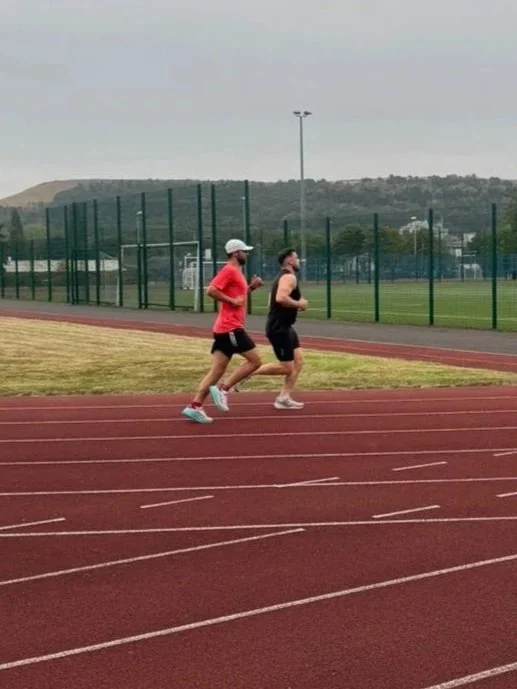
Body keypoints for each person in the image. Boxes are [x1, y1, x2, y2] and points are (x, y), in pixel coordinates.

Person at [181, 239, 264, 423]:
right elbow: (211, 290)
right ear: (235, 253)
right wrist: (231, 301)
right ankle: (223, 389)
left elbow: (238, 297)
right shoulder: (229, 270)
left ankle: (194, 406)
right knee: (256, 361)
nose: (247, 254)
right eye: (244, 251)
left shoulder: (237, 273)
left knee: (216, 371)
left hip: (224, 329)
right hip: (230, 328)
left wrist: (251, 288)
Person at [247, 247, 308, 409]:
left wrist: (294, 305)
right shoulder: (288, 277)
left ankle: (284, 398)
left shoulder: (282, 277)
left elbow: (271, 302)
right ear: (289, 260)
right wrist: (299, 304)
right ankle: (246, 373)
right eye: (296, 257)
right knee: (286, 367)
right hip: (279, 327)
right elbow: (281, 298)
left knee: (298, 361)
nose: (299, 260)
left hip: (286, 326)